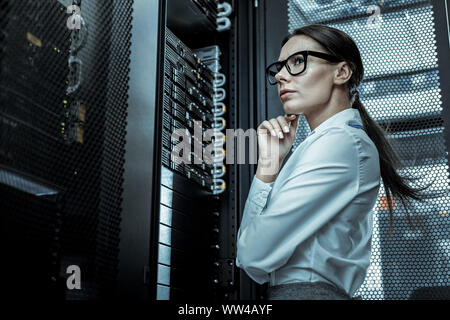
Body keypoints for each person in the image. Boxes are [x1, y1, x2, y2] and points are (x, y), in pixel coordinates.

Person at [235, 24, 431, 300]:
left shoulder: (340, 144)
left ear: (341, 72)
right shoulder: (323, 144)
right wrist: (268, 167)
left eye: (297, 62)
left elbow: (253, 255)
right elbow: (253, 262)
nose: (280, 75)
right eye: (279, 68)